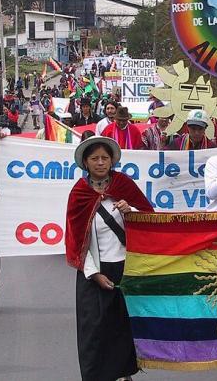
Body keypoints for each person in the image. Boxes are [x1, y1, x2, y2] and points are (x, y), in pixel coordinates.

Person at [66, 136, 154, 381]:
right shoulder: (79, 194)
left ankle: (123, 373)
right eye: (95, 158)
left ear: (112, 160)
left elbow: (148, 218)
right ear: (85, 162)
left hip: (125, 266)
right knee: (93, 328)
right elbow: (75, 239)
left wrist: (131, 211)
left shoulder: (124, 185)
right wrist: (94, 273)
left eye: (105, 158)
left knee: (122, 324)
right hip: (94, 270)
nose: (101, 162)